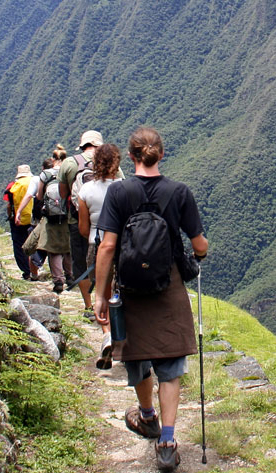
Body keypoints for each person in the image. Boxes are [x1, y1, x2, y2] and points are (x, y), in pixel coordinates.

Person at [93, 127, 208, 472]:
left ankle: (146, 416)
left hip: (129, 286)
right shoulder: (179, 193)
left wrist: (100, 295)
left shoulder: (118, 192)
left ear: (131, 157)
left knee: (138, 355)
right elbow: (199, 244)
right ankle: (168, 442)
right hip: (168, 285)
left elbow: (108, 246)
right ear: (161, 155)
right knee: (170, 366)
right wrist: (197, 257)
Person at [59, 130, 123, 314]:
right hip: (113, 228)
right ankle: (112, 304)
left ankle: (89, 305)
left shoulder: (69, 163)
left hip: (79, 222)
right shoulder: (114, 165)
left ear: (83, 145)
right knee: (113, 268)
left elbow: (64, 194)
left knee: (80, 263)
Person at [77, 143, 122, 368]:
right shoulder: (125, 187)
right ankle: (122, 336)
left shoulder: (85, 191)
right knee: (120, 290)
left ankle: (107, 334)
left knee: (103, 291)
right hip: (123, 245)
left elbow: (83, 227)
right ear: (116, 163)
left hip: (96, 244)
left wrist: (95, 235)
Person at [36, 145, 72, 293]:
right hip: (67, 215)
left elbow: (39, 196)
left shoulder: (45, 174)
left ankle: (58, 280)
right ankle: (70, 276)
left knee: (53, 249)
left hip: (51, 216)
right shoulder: (69, 172)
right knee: (68, 248)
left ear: (53, 159)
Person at [16, 157, 53, 280]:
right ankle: (60, 275)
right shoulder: (59, 178)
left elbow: (28, 196)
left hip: (37, 218)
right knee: (54, 246)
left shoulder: (37, 180)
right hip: (55, 217)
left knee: (34, 245)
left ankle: (34, 274)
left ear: (43, 168)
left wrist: (19, 212)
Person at [4, 164, 35, 280]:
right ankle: (35, 269)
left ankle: (26, 271)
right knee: (33, 244)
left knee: (19, 245)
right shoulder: (35, 182)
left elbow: (8, 205)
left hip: (18, 220)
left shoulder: (13, 186)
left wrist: (11, 216)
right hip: (34, 218)